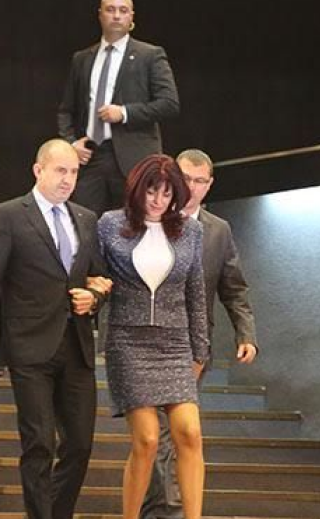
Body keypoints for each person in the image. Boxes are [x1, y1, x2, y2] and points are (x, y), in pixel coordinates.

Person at [0, 139, 108, 519]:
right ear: (38, 170)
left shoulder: (86, 218)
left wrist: (95, 298)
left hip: (77, 345)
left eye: (74, 172)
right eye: (60, 170)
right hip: (29, 347)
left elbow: (98, 277)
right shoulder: (9, 215)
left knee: (80, 445)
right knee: (39, 443)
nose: (68, 179)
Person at [141, 149, 258, 519]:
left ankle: (163, 509)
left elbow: (233, 288)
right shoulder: (147, 219)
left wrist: (246, 333)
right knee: (154, 434)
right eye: (185, 178)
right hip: (147, 344)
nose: (191, 187)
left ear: (210, 185)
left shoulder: (218, 230)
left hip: (193, 348)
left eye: (199, 181)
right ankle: (164, 509)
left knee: (174, 433)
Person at [97, 154, 208, 519]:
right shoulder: (110, 224)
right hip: (127, 341)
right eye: (151, 191)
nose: (159, 200)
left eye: (166, 193)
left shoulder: (190, 231)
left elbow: (196, 292)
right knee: (145, 440)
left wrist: (200, 351)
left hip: (175, 343)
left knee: (189, 432)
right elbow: (95, 276)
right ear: (137, 189)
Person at [57, 0, 179, 215]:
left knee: (132, 223)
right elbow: (66, 110)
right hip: (91, 156)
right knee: (83, 222)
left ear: (131, 17)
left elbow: (169, 103)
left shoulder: (149, 55)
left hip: (134, 158)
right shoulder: (82, 58)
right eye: (110, 10)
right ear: (100, 15)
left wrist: (124, 113)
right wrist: (71, 143)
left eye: (123, 10)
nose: (116, 15)